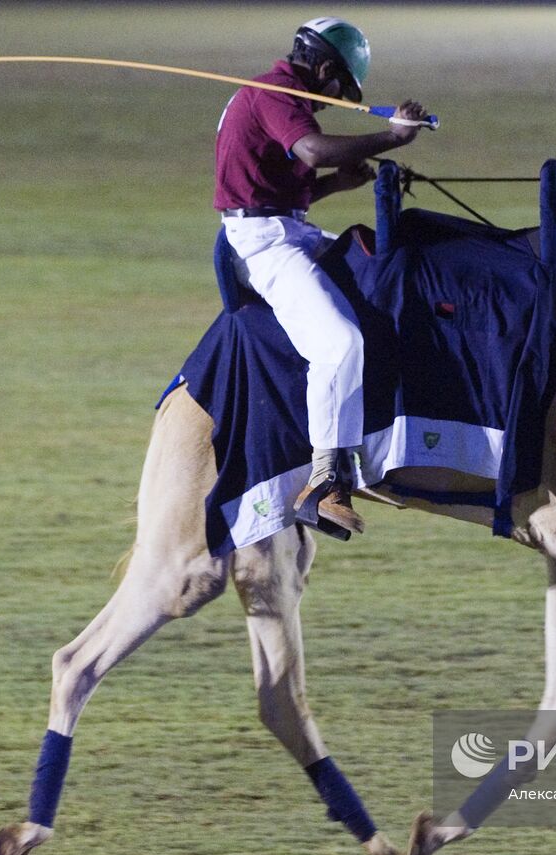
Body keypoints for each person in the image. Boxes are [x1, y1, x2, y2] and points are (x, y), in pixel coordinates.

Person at [214, 17, 429, 537]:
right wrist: (393, 138)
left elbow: (287, 192)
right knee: (339, 343)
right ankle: (325, 480)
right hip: (263, 245)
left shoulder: (282, 94)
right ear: (326, 69)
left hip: (286, 229)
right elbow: (312, 150)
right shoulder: (278, 91)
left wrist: (338, 183)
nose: (334, 100)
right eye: (341, 91)